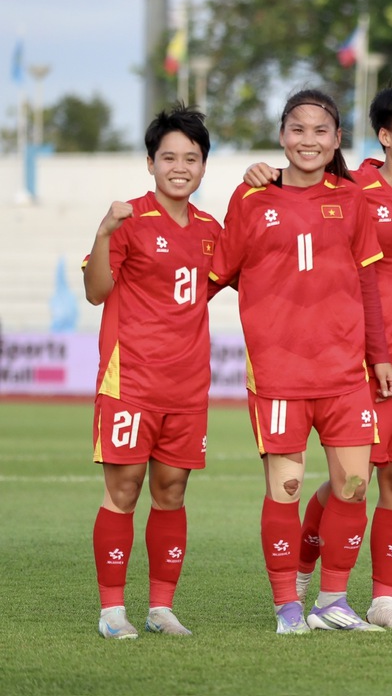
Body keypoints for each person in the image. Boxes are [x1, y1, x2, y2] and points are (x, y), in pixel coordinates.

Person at [245, 82, 392, 629]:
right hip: (329, 365)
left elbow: (391, 269)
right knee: (325, 483)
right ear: (380, 137)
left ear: (335, 136)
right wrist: (260, 176)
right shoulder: (353, 186)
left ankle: (369, 599)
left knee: (382, 482)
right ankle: (297, 589)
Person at [209, 88, 392, 634]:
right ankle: (288, 606)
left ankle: (332, 600)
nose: (308, 140)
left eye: (320, 130)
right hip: (277, 375)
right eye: (298, 128)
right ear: (281, 135)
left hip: (344, 374)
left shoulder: (353, 199)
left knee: (354, 486)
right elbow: (215, 275)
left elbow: (367, 283)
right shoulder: (250, 200)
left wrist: (379, 355)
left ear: (337, 139)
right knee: (286, 490)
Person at [84, 104, 221, 639]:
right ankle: (112, 611)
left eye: (191, 157)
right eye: (169, 157)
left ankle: (161, 608)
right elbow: (96, 291)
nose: (180, 167)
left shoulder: (211, 229)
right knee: (123, 490)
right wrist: (102, 234)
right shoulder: (129, 218)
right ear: (150, 162)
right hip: (131, 382)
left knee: (172, 492)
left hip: (187, 387)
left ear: (204, 165)